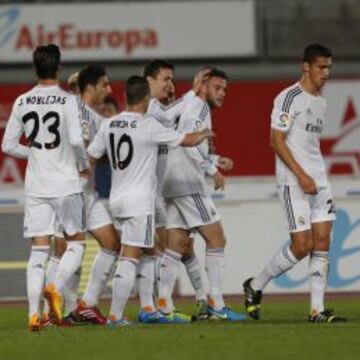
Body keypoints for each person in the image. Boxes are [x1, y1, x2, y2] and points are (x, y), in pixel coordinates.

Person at [87, 75, 214, 326]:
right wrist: (204, 132)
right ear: (146, 99)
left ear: (125, 98)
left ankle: (148, 308)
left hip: (117, 199)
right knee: (131, 255)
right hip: (140, 201)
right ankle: (115, 315)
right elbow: (185, 140)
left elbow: (91, 156)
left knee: (149, 250)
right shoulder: (149, 126)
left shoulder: (109, 124)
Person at [243, 44, 346, 323]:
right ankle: (256, 285)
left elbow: (310, 145)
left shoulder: (321, 102)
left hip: (318, 180)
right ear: (306, 67)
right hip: (293, 180)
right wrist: (301, 175)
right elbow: (275, 140)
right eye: (321, 67)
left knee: (322, 242)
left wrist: (315, 176)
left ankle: (316, 310)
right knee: (302, 245)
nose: (326, 73)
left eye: (329, 68)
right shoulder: (289, 97)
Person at [1, 44, 89, 330]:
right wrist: (83, 163)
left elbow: (8, 145)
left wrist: (36, 154)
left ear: (35, 68)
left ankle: (33, 315)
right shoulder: (68, 101)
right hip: (65, 183)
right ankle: (55, 287)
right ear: (59, 67)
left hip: (36, 186)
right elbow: (76, 141)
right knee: (76, 242)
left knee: (39, 251)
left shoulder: (22, 101)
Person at [158, 68, 245, 321]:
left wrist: (215, 159)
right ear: (203, 87)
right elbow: (190, 143)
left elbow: (183, 141)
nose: (222, 94)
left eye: (225, 89)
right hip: (188, 183)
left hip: (170, 181)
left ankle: (163, 303)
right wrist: (211, 168)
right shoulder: (198, 107)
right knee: (217, 239)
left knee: (177, 244)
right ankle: (216, 305)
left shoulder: (188, 106)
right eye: (217, 88)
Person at [143, 59, 210, 321]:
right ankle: (158, 307)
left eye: (172, 79)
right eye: (166, 79)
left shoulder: (159, 109)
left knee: (181, 246)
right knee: (157, 250)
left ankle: (200, 300)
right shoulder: (149, 108)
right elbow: (171, 118)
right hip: (147, 192)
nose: (170, 84)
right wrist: (193, 92)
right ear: (149, 80)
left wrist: (211, 162)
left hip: (160, 190)